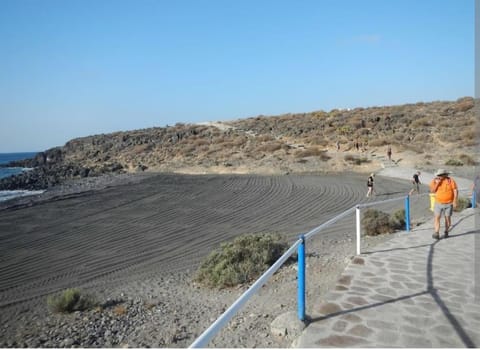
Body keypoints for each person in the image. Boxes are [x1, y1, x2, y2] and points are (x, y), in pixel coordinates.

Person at [429, 169, 458, 240]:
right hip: (438, 203)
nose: (439, 176)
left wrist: (455, 201)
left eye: (440, 175)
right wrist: (437, 183)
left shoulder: (450, 180)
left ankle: (446, 231)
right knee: (437, 217)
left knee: (447, 218)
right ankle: (436, 233)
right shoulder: (434, 181)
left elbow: (455, 190)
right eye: (438, 175)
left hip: (449, 203)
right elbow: (432, 191)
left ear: (445, 175)